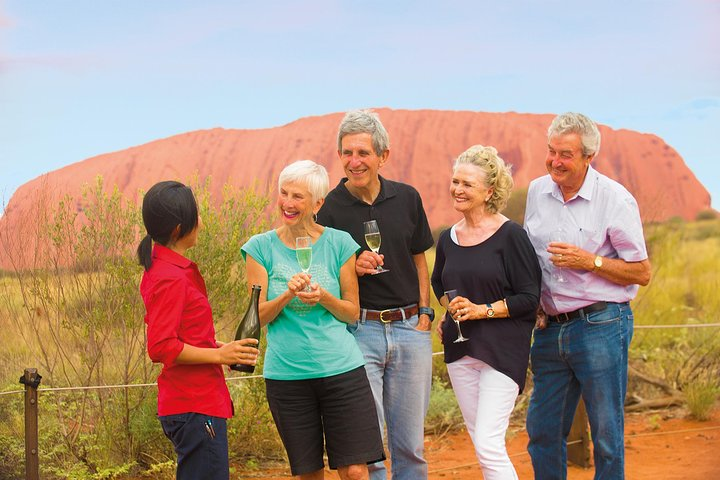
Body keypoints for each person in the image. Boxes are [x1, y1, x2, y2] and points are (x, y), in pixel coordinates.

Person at [524, 112, 652, 479]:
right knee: (543, 432)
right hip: (549, 330)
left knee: (606, 435)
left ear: (587, 158)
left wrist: (590, 261)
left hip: (601, 324)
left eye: (564, 154)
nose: (554, 161)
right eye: (550, 151)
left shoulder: (614, 199)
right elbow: (531, 257)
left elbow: (641, 272)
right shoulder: (536, 191)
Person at [241, 160, 384, 480]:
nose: (288, 203)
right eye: (284, 193)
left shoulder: (339, 243)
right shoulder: (260, 248)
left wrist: (325, 298)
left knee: (356, 471)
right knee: (309, 475)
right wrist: (286, 295)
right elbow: (257, 317)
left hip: (342, 371)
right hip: (287, 377)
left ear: (318, 203)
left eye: (298, 197)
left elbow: (351, 312)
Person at [317, 109, 435, 480]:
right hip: (359, 332)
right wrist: (352, 267)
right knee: (369, 449)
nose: (354, 162)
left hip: (409, 328)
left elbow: (419, 260)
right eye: (347, 153)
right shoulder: (329, 208)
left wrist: (426, 315)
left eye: (363, 153)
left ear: (382, 156)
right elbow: (322, 275)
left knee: (410, 447)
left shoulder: (407, 198)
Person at [430, 145, 541, 479]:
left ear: (489, 191)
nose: (458, 190)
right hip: (461, 349)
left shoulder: (511, 236)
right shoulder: (448, 238)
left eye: (467, 184)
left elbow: (529, 298)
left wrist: (480, 311)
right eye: (455, 181)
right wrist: (452, 311)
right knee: (480, 440)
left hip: (502, 350)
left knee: (489, 442)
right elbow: (439, 283)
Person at [137, 180, 260, 480]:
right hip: (194, 405)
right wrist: (219, 356)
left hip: (196, 403)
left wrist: (222, 349)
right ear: (179, 229)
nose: (201, 222)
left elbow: (181, 335)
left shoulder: (165, 268)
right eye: (197, 215)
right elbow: (162, 347)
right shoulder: (171, 278)